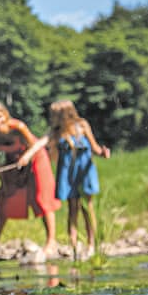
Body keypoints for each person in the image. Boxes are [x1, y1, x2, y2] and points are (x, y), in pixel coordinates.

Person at [0, 101, 61, 257]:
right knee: (4, 196)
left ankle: (51, 241)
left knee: (42, 198)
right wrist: (4, 183)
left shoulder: (18, 127)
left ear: (5, 114)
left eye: (0, 117)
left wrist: (26, 159)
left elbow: (35, 147)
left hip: (36, 158)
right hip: (15, 162)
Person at [47, 99, 111, 259]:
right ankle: (74, 245)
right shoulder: (56, 132)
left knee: (87, 207)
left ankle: (91, 244)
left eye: (55, 115)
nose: (52, 117)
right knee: (72, 209)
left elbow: (95, 147)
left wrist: (103, 153)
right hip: (67, 173)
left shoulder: (82, 126)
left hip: (84, 171)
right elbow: (46, 148)